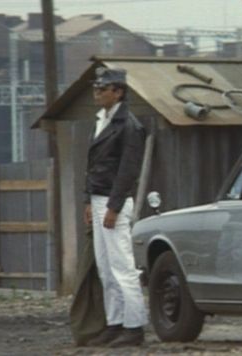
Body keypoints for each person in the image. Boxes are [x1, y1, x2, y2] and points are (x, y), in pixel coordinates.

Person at [83, 67, 148, 347]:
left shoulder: (129, 126)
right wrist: (88, 199)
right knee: (106, 268)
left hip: (113, 201)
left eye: (103, 88)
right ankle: (115, 322)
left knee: (123, 267)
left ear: (118, 91)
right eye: (96, 88)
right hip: (99, 198)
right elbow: (93, 165)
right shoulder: (102, 120)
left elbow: (128, 170)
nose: (97, 92)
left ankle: (134, 327)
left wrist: (114, 207)